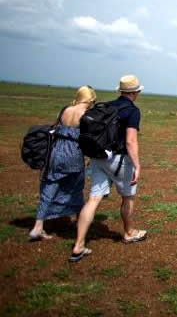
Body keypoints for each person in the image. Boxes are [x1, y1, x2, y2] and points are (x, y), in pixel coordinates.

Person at [70, 75, 146, 262]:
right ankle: (129, 232)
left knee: (93, 199)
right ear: (135, 92)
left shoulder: (107, 106)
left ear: (120, 91)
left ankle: (78, 244)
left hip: (98, 157)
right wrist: (137, 165)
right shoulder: (132, 112)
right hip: (119, 160)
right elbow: (130, 141)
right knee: (128, 196)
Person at [29, 85, 97, 241]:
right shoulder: (85, 114)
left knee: (49, 188)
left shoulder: (65, 110)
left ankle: (37, 226)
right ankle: (81, 221)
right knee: (76, 188)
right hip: (73, 154)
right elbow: (88, 137)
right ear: (90, 99)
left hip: (55, 153)